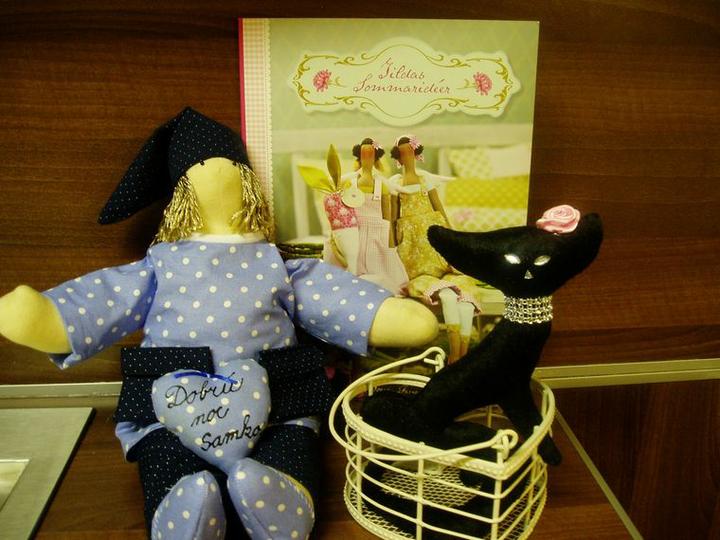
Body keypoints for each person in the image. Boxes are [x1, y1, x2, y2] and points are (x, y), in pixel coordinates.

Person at [0, 109, 438, 540]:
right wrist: (50, 318)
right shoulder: (160, 264)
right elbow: (110, 296)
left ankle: (282, 501)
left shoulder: (276, 262)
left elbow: (329, 296)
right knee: (165, 453)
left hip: (276, 404)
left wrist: (385, 314)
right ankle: (181, 510)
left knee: (290, 445)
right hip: (172, 407)